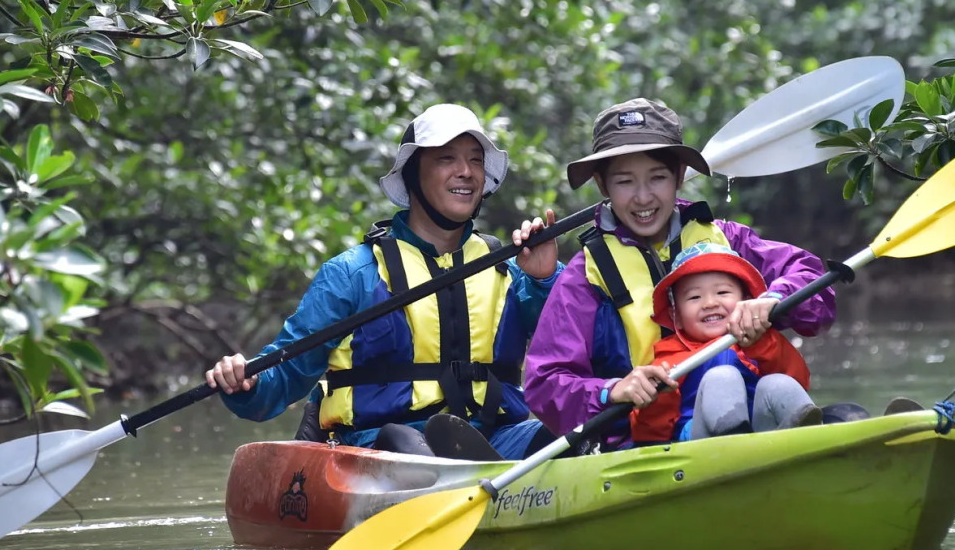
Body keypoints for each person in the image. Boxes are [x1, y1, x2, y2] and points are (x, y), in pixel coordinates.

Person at [205, 104, 561, 460]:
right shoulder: (352, 274)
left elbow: (576, 347)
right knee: (403, 441)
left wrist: (545, 278)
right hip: (382, 450)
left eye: (476, 160)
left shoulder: (511, 270)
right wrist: (246, 382)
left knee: (568, 433)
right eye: (446, 159)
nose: (466, 172)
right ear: (413, 176)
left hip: (494, 442)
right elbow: (282, 379)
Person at [523, 97, 836, 437]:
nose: (643, 198)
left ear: (679, 176)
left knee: (825, 407)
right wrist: (611, 390)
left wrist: (773, 298)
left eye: (657, 178)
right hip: (643, 440)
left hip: (753, 408)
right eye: (625, 181)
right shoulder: (585, 276)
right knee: (720, 384)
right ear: (603, 185)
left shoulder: (727, 239)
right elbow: (544, 384)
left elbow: (812, 281)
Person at [630, 241, 821, 444]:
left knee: (776, 383)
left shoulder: (762, 338)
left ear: (746, 301)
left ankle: (812, 441)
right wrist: (658, 397)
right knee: (722, 377)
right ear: (675, 316)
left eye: (722, 292)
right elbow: (649, 435)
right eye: (694, 297)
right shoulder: (668, 356)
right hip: (701, 447)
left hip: (762, 435)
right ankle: (732, 442)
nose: (710, 303)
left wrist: (762, 344)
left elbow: (800, 380)